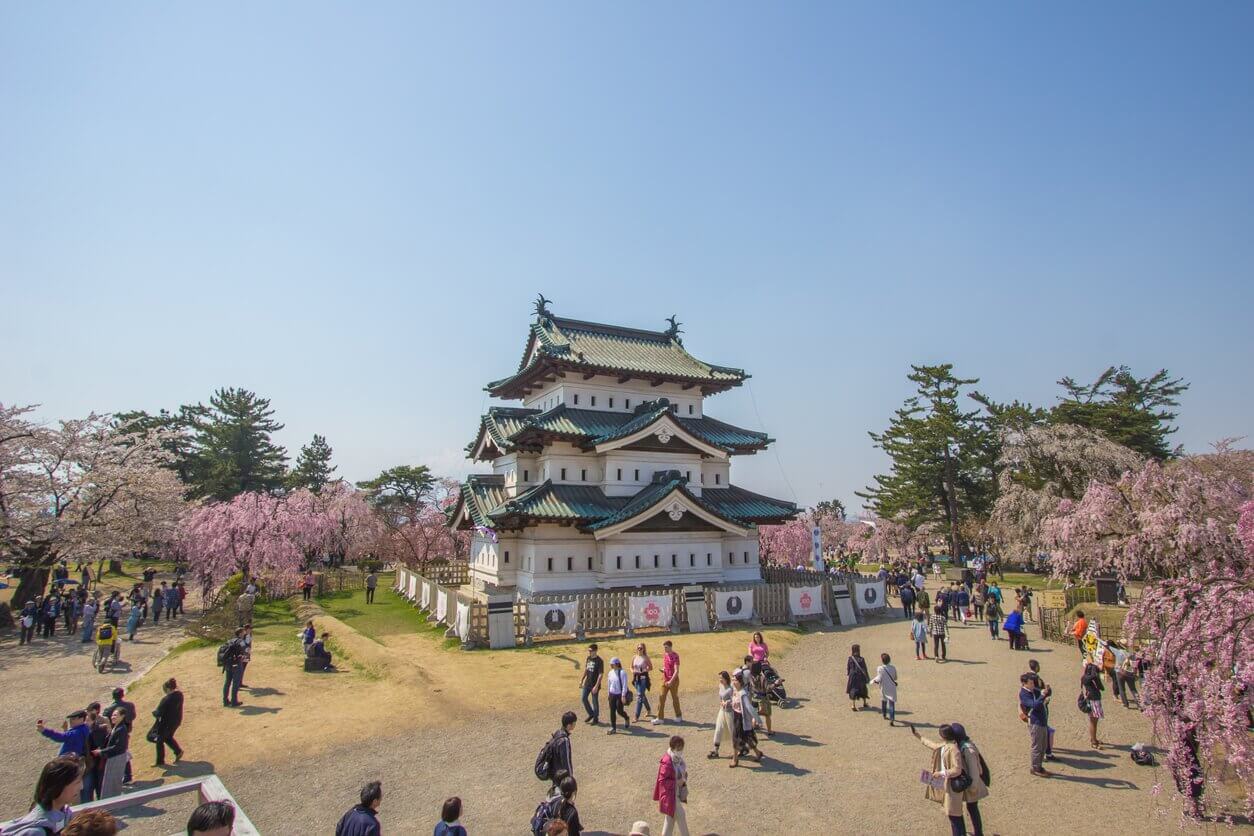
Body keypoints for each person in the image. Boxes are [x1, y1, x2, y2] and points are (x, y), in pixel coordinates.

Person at [912, 723, 988, 836]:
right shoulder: (954, 745)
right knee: (958, 814)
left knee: (959, 814)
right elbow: (933, 745)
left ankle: (977, 833)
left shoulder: (964, 749)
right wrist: (919, 736)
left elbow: (972, 771)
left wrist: (973, 788)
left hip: (965, 785)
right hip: (961, 784)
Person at [7, 756, 84, 835]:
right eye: (77, 782)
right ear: (59, 786)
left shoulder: (66, 814)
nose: (81, 787)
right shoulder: (36, 832)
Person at [653, 736, 689, 836]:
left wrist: (683, 777)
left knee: (670, 819)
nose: (680, 751)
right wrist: (677, 782)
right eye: (678, 749)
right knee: (681, 815)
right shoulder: (667, 762)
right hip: (670, 795)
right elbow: (662, 781)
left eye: (681, 748)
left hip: (674, 793)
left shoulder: (677, 759)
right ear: (672, 748)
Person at [1019, 673, 1053, 777]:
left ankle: (1039, 766)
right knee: (1037, 746)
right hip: (1035, 722)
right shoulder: (1024, 694)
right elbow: (1034, 705)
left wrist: (1047, 691)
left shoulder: (1034, 690)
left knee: (1043, 745)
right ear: (1024, 683)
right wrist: (1042, 696)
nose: (1033, 684)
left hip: (1042, 721)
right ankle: (1035, 768)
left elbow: (1046, 695)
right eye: (1030, 683)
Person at [93, 708, 130, 799]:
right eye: (112, 715)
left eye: (115, 715)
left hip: (117, 758)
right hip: (113, 758)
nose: (113, 717)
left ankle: (113, 804)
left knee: (112, 783)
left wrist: (101, 751)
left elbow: (118, 746)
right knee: (110, 782)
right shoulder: (116, 727)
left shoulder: (121, 729)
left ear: (122, 716)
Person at [729, 675, 761, 767]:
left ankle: (735, 759)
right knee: (746, 737)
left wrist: (757, 719)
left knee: (736, 738)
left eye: (735, 680)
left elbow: (749, 707)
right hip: (736, 716)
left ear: (740, 682)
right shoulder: (735, 691)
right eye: (733, 680)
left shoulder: (743, 693)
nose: (733, 682)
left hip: (741, 719)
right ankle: (758, 753)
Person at [153, 677, 185, 766]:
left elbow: (158, 713)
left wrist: (154, 713)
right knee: (168, 737)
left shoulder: (166, 700)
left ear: (167, 689)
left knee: (160, 740)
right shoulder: (179, 695)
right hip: (176, 721)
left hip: (166, 723)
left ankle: (160, 761)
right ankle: (178, 751)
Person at [653, 640, 682, 724]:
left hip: (673, 681)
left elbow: (676, 671)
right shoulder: (665, 655)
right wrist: (663, 670)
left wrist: (671, 681)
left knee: (675, 698)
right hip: (665, 679)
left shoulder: (675, 656)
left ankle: (678, 716)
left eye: (666, 647)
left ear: (670, 647)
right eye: (664, 647)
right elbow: (666, 666)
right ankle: (660, 718)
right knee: (661, 697)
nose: (665, 649)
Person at [708, 671, 735, 759]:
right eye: (719, 678)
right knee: (718, 729)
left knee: (732, 731)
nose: (720, 680)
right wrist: (722, 702)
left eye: (721, 678)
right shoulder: (720, 686)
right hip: (722, 711)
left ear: (726, 679)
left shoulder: (730, 689)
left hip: (730, 713)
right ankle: (716, 750)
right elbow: (720, 697)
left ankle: (739, 749)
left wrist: (727, 702)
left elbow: (734, 699)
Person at [545, 712, 577, 783]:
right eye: (574, 723)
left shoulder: (557, 733)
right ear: (569, 725)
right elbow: (566, 762)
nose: (575, 725)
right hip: (561, 776)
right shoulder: (564, 740)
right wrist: (570, 779)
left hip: (555, 773)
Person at [1081, 659, 1105, 749]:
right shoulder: (1093, 678)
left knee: (1093, 721)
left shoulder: (1084, 677)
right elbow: (1101, 687)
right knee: (1093, 722)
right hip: (1094, 699)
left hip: (1090, 699)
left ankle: (1094, 739)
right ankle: (1094, 741)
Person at [221, 628, 247, 706]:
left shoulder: (230, 641)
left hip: (228, 663)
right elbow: (244, 651)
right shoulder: (241, 641)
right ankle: (234, 701)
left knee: (227, 682)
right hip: (236, 663)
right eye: (243, 633)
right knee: (235, 683)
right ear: (240, 634)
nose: (244, 634)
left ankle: (225, 701)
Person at [579, 644, 604, 725]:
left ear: (595, 651)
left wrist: (596, 686)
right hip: (587, 683)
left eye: (590, 651)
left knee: (594, 702)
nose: (589, 652)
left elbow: (600, 675)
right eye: (588, 650)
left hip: (594, 685)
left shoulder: (599, 661)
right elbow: (586, 669)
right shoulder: (588, 658)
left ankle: (596, 718)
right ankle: (591, 714)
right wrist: (582, 680)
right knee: (583, 698)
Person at [871, 653, 899, 725]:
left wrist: (874, 681)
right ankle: (892, 718)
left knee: (884, 701)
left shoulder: (880, 668)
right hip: (892, 687)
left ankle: (884, 714)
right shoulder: (893, 668)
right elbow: (895, 678)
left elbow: (879, 678)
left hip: (884, 687)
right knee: (891, 704)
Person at [606, 657, 632, 734]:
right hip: (612, 694)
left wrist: (623, 696)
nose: (611, 665)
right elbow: (609, 684)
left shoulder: (622, 672)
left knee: (619, 711)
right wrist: (608, 694)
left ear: (617, 664)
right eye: (611, 664)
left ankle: (626, 718)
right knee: (612, 711)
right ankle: (613, 728)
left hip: (619, 695)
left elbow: (624, 685)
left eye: (612, 664)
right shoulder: (610, 673)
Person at [631, 642, 654, 721]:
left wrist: (644, 669)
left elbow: (651, 667)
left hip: (643, 679)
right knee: (642, 695)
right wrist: (633, 671)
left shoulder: (646, 657)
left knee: (639, 696)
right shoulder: (634, 657)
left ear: (644, 649)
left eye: (641, 648)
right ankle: (649, 710)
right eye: (638, 648)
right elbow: (631, 667)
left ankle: (636, 716)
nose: (639, 649)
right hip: (636, 679)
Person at [751, 661, 773, 735]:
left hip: (754, 698)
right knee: (767, 716)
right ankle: (769, 731)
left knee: (755, 714)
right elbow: (768, 688)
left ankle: (753, 728)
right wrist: (775, 684)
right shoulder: (762, 677)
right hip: (763, 699)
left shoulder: (750, 676)